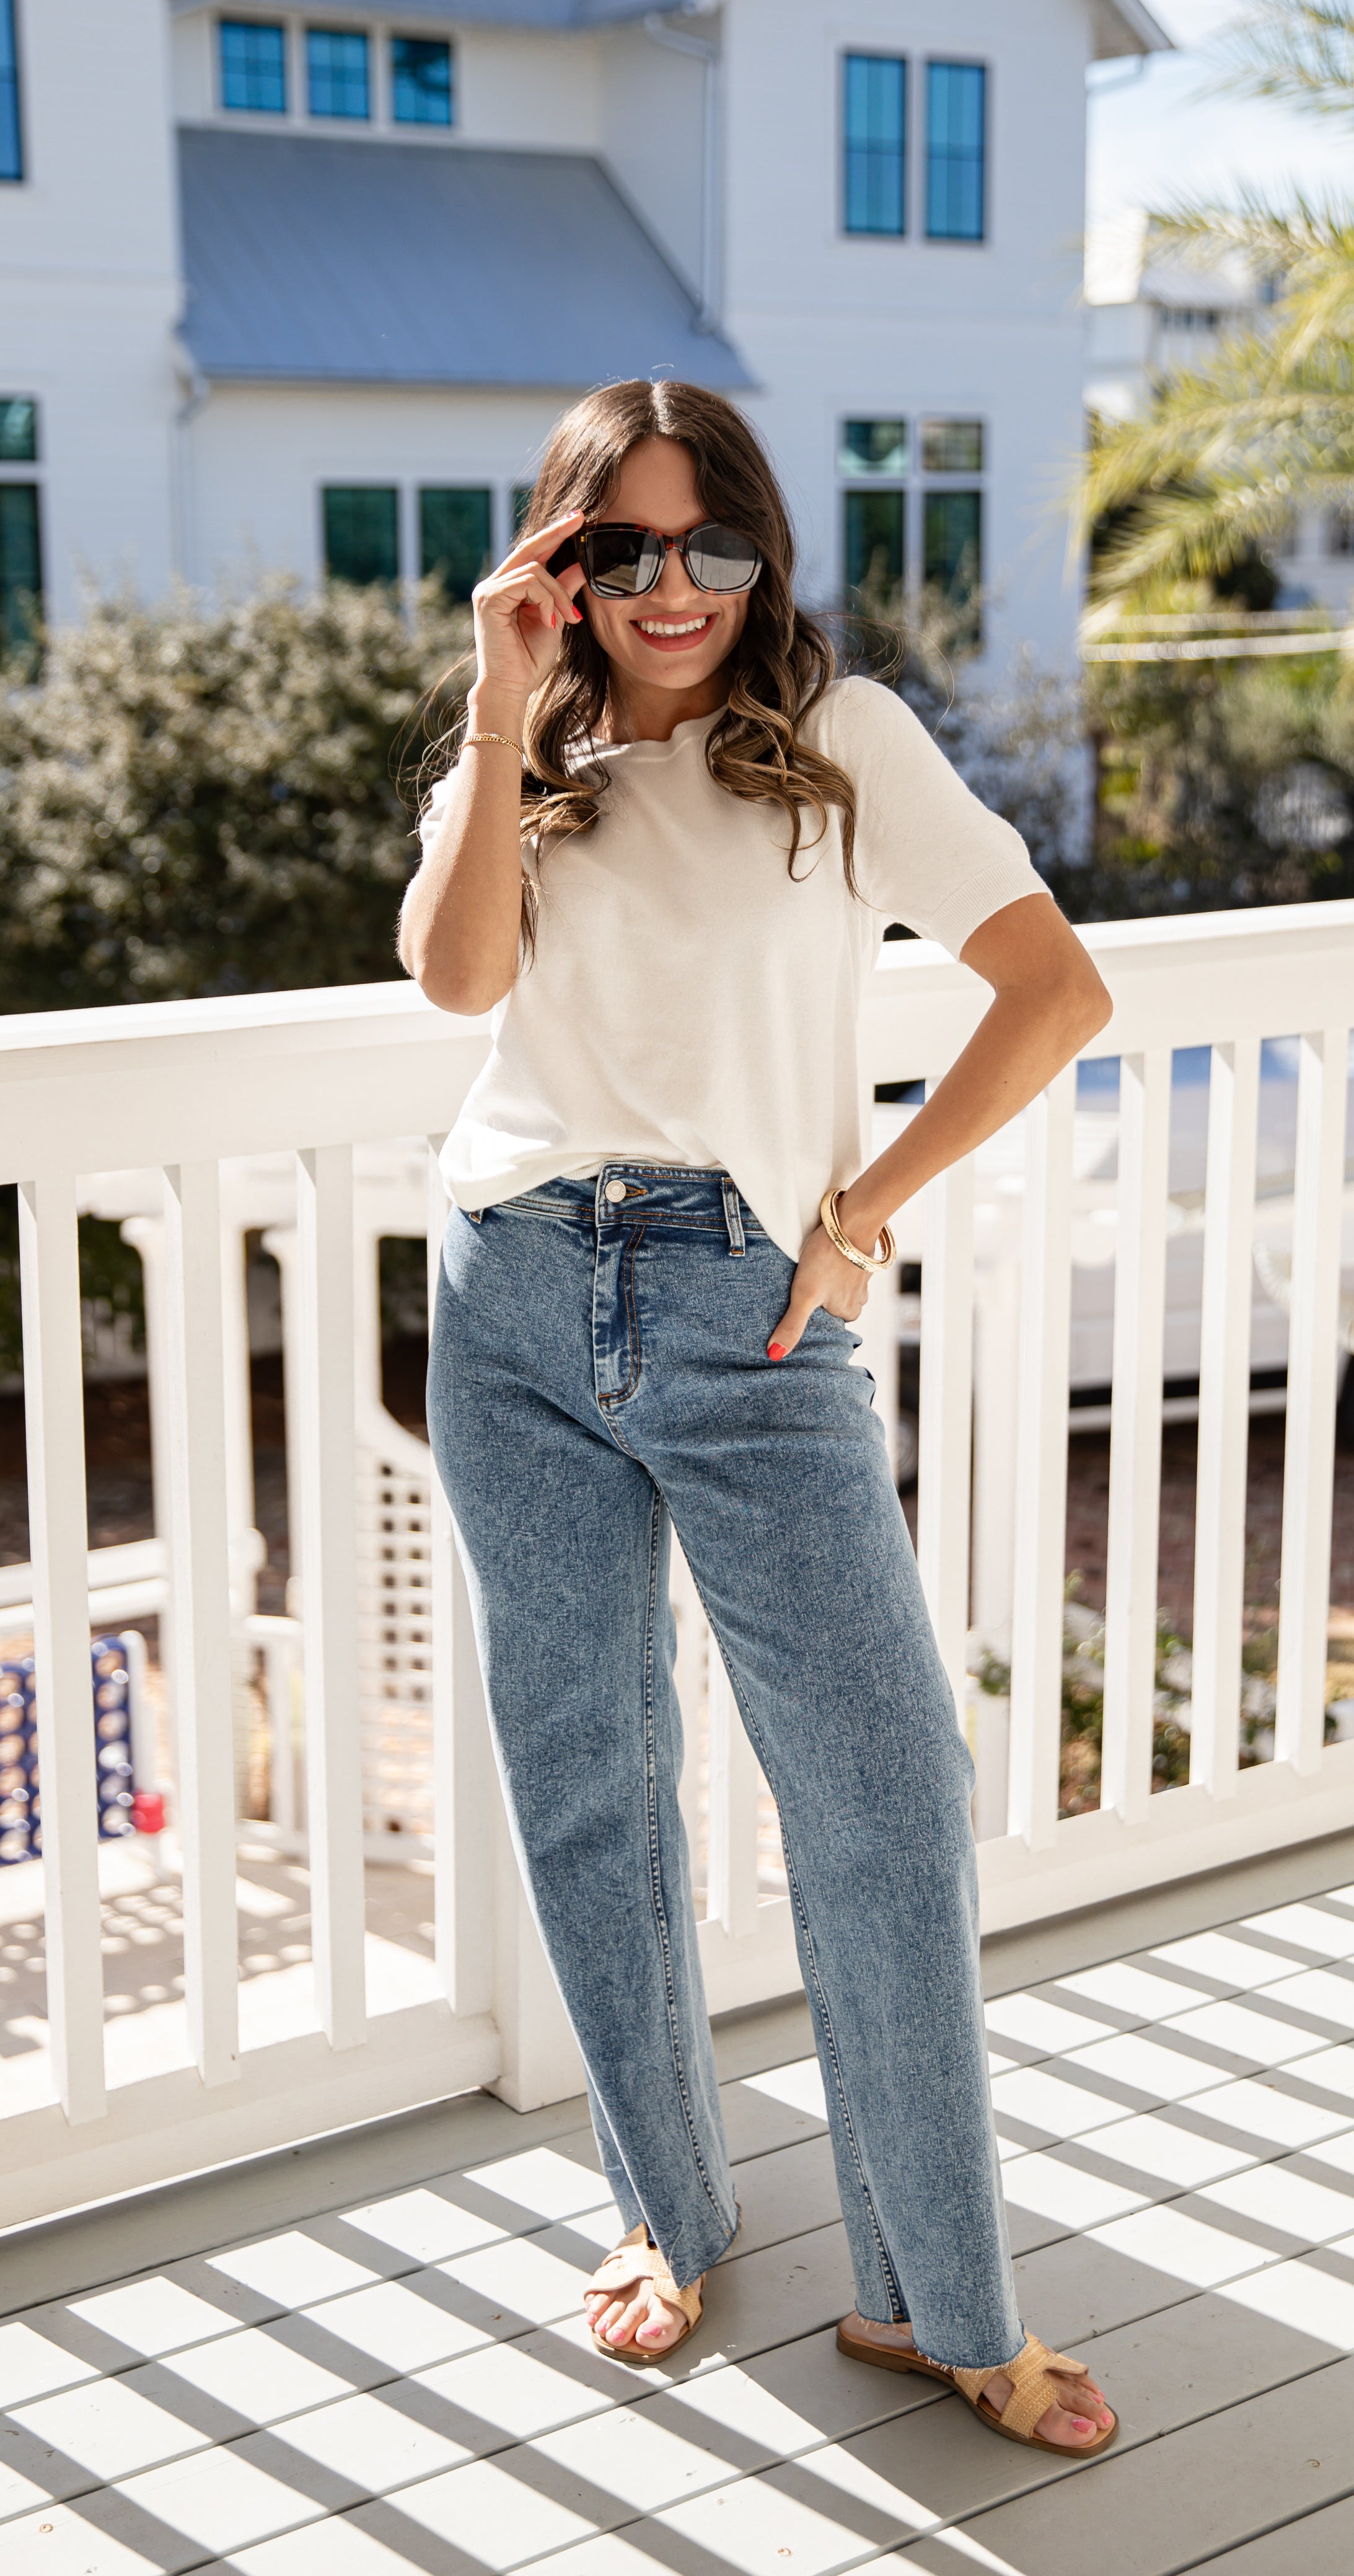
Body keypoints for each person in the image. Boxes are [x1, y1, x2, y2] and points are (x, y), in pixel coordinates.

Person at [400, 379, 1117, 2454]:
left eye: (714, 543)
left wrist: (862, 1218)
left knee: (881, 1799)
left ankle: (936, 2299)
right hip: (511, 1290)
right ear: (561, 565)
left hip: (751, 1301)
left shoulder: (837, 745)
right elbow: (456, 991)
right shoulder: (519, 752)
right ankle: (664, 2211)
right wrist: (487, 690)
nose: (675, 586)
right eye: (621, 548)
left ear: (763, 555)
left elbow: (1054, 988)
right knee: (589, 1777)